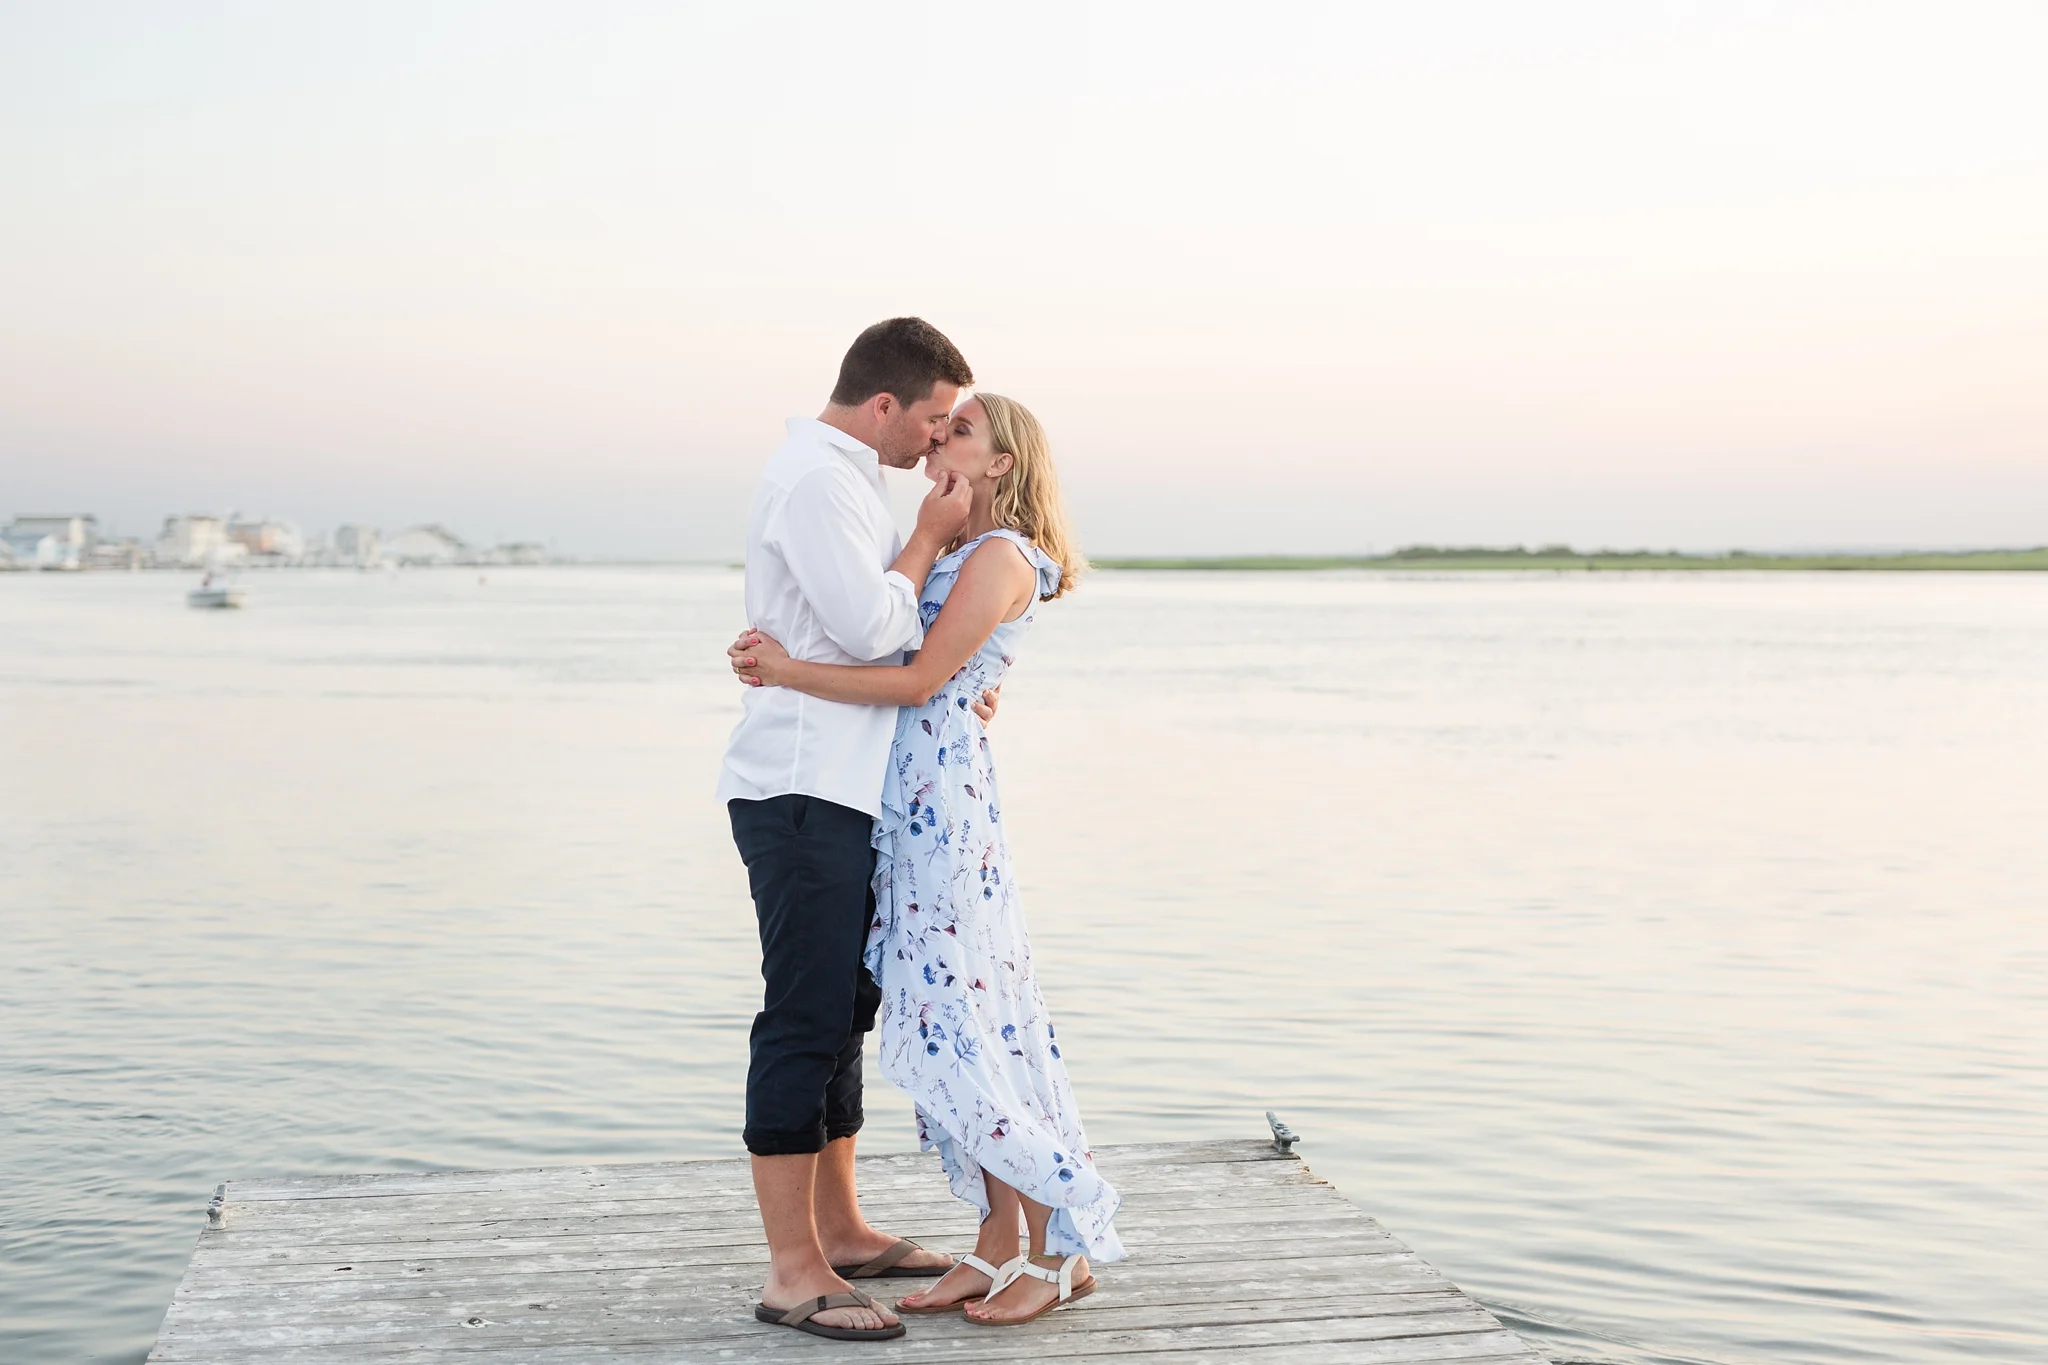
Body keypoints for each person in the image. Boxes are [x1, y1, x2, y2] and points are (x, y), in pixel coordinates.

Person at [732, 392, 1122, 1329]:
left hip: (941, 821)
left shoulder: (994, 555)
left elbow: (915, 678)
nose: (940, 438)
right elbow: (938, 668)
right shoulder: (952, 551)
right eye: (941, 424)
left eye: (962, 431)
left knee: (971, 1023)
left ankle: (1058, 1249)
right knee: (953, 1025)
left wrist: (784, 671)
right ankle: (998, 1243)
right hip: (903, 810)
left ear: (1002, 463)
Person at [718, 318, 998, 1342]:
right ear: (884, 402)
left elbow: (891, 640)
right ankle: (792, 1272)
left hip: (846, 788)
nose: (933, 444)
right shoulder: (817, 479)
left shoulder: (845, 480)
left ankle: (837, 1230)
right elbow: (874, 630)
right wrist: (925, 539)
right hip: (799, 789)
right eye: (930, 420)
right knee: (801, 1014)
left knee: (844, 1007)